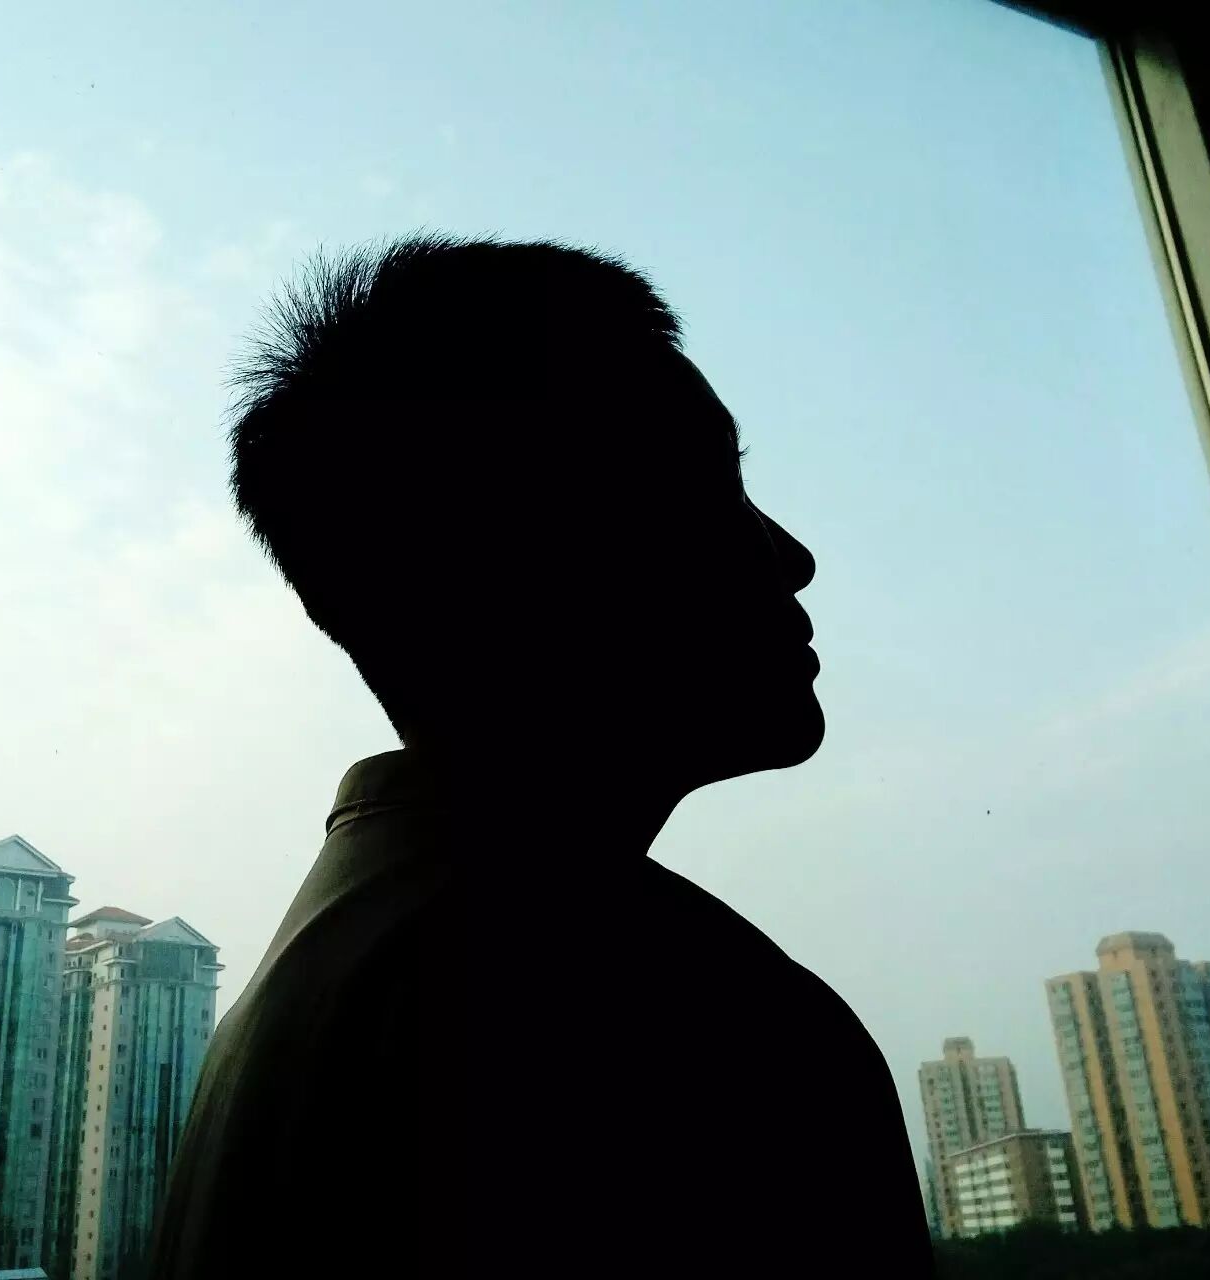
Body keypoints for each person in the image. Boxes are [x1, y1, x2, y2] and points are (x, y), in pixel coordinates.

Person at [144, 234, 932, 1277]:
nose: (792, 555)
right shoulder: (664, 1018)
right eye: (702, 494)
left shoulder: (317, 989)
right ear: (518, 561)